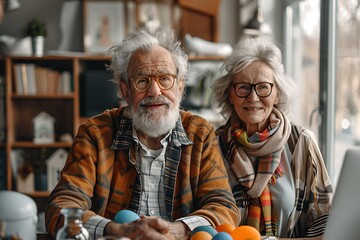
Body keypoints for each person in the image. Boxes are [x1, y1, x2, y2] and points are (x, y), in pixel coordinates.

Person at [45, 27, 240, 240]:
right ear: (125, 90)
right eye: (142, 80)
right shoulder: (95, 134)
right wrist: (117, 230)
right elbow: (62, 207)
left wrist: (174, 230)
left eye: (165, 79)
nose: (155, 91)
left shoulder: (200, 134)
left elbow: (224, 208)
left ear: (180, 86)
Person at [211, 37, 332, 239]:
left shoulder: (301, 142)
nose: (253, 98)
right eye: (243, 87)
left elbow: (326, 220)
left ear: (277, 93)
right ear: (230, 94)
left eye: (263, 87)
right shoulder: (213, 146)